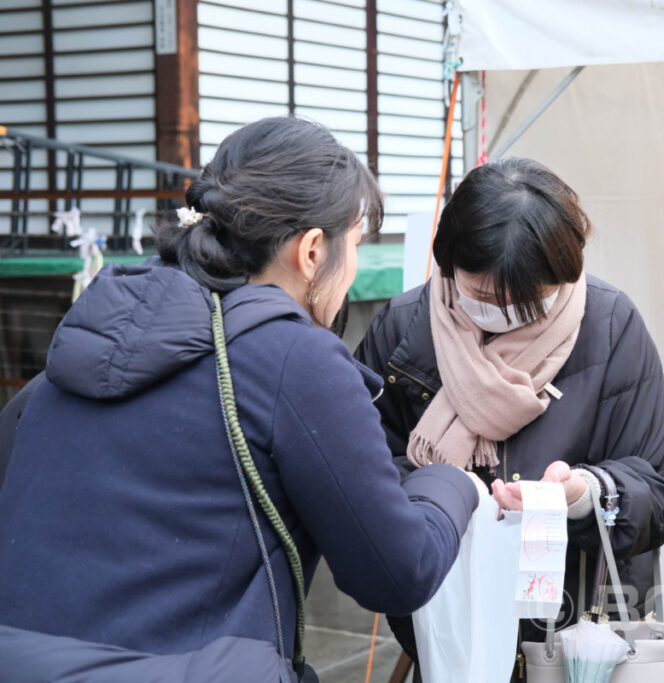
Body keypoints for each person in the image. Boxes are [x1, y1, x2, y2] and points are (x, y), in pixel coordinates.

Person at [0, 117, 480, 680]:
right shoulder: (295, 359)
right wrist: (453, 483)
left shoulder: (91, 330)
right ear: (311, 251)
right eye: (354, 243)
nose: (350, 267)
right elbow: (398, 573)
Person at [355, 157, 664, 675]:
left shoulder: (612, 327)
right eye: (480, 296)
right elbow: (358, 465)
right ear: (448, 264)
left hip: (573, 633)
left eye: (526, 305)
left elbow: (652, 497)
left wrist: (583, 493)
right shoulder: (404, 328)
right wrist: (444, 498)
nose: (499, 315)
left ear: (561, 275)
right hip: (446, 614)